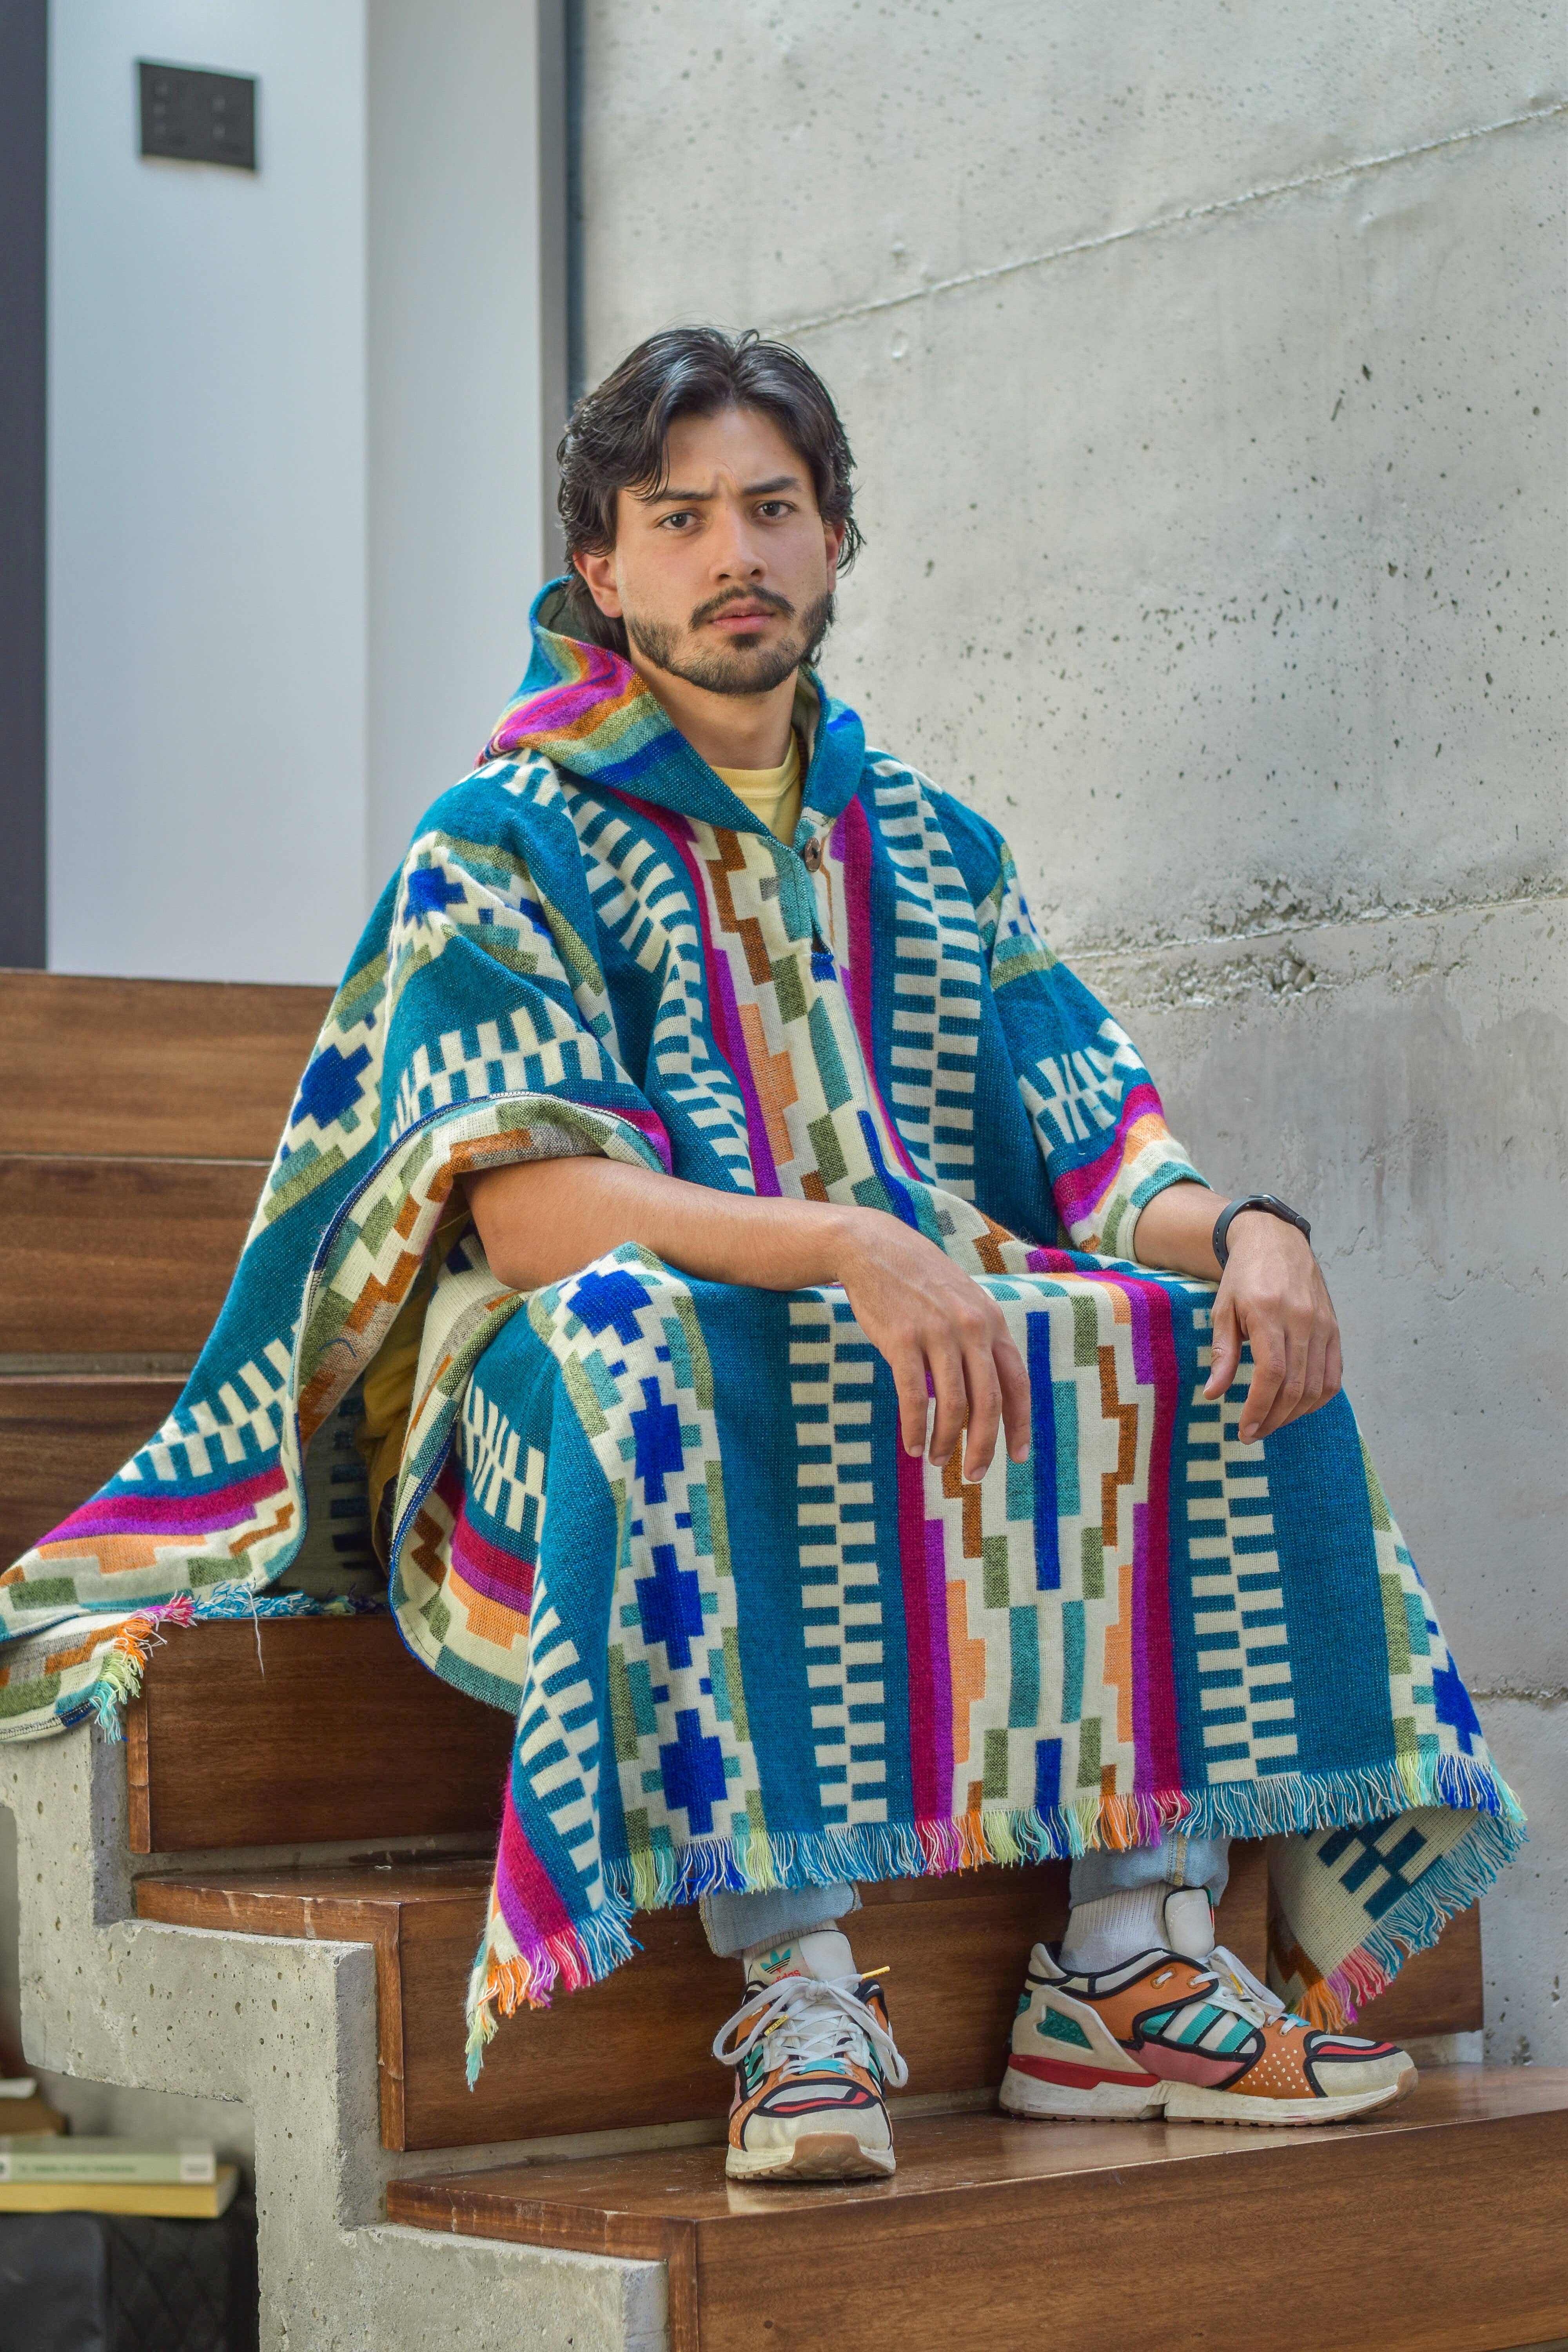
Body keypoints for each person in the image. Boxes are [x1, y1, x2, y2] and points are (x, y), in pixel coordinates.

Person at [4, 327, 1519, 2188]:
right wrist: (841, 1243)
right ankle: (796, 1988)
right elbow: (532, 1217)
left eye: (773, 508)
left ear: (835, 539)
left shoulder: (937, 847)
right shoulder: (502, 837)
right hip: (562, 1385)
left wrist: (1260, 1234)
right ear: (602, 567)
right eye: (680, 516)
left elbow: (1100, 1149)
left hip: (885, 1329)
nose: (735, 551)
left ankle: (1128, 1959)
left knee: (1192, 1330)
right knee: (655, 1339)